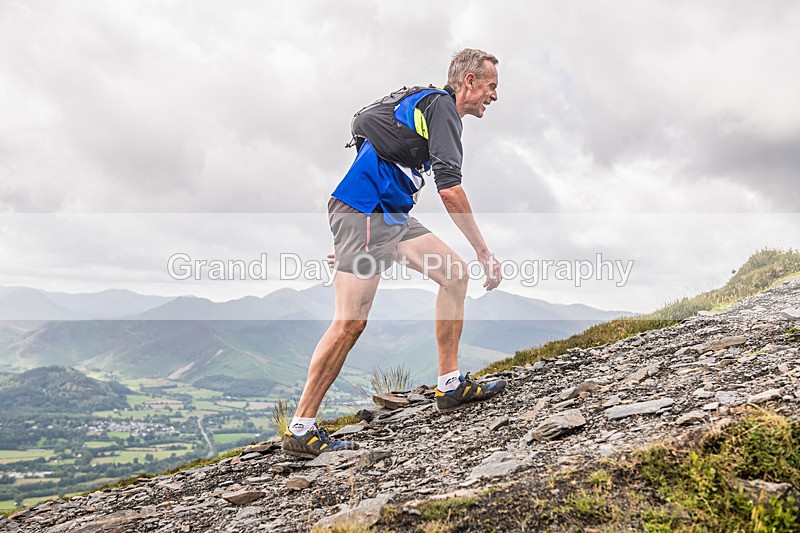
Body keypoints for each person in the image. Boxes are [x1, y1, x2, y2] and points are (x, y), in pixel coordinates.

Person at [282, 48, 507, 458]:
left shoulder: (425, 110)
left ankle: (450, 384)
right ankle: (301, 428)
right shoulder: (442, 109)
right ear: (469, 81)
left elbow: (378, 158)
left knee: (454, 275)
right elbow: (450, 190)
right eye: (491, 86)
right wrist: (484, 251)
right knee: (351, 323)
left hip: (388, 215)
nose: (494, 96)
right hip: (367, 213)